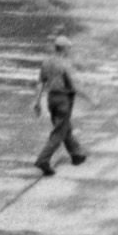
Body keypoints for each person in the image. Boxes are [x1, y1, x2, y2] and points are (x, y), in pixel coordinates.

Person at [36, 33, 88, 175]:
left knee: (65, 127)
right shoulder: (64, 64)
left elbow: (40, 83)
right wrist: (90, 97)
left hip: (51, 99)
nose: (69, 50)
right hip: (63, 100)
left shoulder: (46, 62)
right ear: (64, 49)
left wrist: (37, 102)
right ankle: (43, 160)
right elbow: (73, 86)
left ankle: (76, 154)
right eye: (68, 48)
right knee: (59, 132)